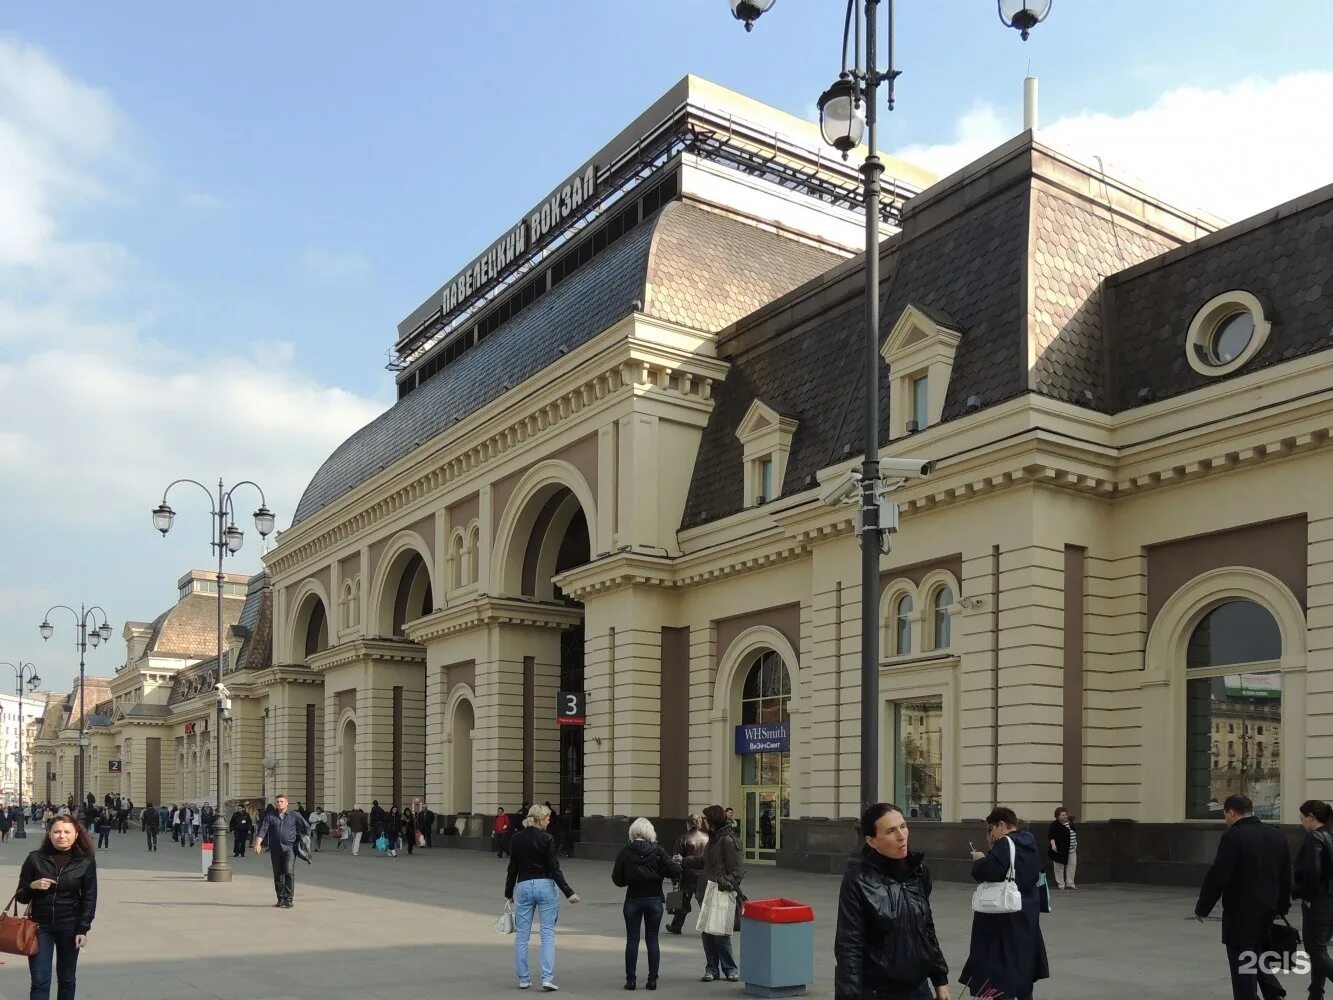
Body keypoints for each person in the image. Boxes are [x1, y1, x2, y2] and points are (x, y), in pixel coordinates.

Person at [835, 802, 949, 1000]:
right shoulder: (858, 880)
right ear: (872, 841)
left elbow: (926, 928)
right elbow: (849, 946)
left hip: (919, 989)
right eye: (890, 831)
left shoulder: (919, 871)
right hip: (878, 992)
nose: (901, 836)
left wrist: (940, 979)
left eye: (903, 826)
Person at [1195, 793, 1292, 1000]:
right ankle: (1274, 994)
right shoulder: (1276, 834)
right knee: (1255, 953)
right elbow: (1285, 874)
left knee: (1242, 962)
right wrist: (1282, 906)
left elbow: (1219, 875)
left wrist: (1203, 908)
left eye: (1225, 815)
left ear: (1231, 812)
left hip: (1241, 911)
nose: (1226, 820)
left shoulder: (1233, 837)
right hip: (1268, 909)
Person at [960, 807, 1049, 1000]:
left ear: (1001, 825)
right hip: (1026, 915)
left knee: (998, 974)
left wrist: (980, 859)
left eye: (990, 829)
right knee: (1021, 970)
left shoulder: (1005, 844)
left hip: (1003, 919)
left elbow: (987, 872)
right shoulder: (1030, 844)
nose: (990, 835)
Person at [15, 815, 98, 1000]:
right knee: (40, 981)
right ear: (50, 834)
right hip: (39, 927)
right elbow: (20, 896)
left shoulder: (85, 861)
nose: (62, 836)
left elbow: (90, 898)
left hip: (70, 926)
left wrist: (83, 928)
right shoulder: (35, 858)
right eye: (57, 831)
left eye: (67, 832)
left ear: (76, 834)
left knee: (67, 979)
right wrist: (32, 886)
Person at [505, 803, 581, 991]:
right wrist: (568, 892)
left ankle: (524, 978)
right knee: (547, 934)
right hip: (545, 886)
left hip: (523, 886)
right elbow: (554, 867)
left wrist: (508, 893)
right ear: (539, 819)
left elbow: (512, 867)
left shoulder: (516, 838)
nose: (549, 821)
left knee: (522, 935)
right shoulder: (547, 838)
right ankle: (547, 978)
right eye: (547, 818)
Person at [612, 818, 681, 991]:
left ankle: (631, 980)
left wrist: (630, 878)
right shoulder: (658, 851)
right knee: (652, 939)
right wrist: (661, 872)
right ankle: (652, 980)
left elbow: (617, 879)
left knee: (632, 939)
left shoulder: (625, 852)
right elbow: (675, 870)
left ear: (633, 832)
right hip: (654, 899)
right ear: (650, 832)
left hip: (633, 899)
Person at [680, 804, 744, 983]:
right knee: (707, 933)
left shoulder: (729, 841)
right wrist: (685, 861)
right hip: (706, 891)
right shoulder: (713, 839)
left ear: (714, 820)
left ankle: (730, 969)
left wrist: (722, 882)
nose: (703, 822)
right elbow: (705, 862)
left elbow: (737, 871)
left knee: (720, 934)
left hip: (721, 892)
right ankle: (711, 969)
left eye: (706, 819)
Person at [1294, 799, 1333, 999]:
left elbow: (1313, 871)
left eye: (1302, 818)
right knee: (1320, 949)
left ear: (1311, 817)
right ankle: (1315, 993)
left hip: (1319, 901)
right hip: (1330, 899)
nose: (1301, 823)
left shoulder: (1314, 837)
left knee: (1314, 948)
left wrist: (1306, 896)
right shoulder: (1329, 836)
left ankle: (1316, 993)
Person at [254, 794, 311, 908]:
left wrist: (303, 840)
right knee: (278, 874)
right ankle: (280, 898)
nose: (279, 803)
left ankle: (289, 899)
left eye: (281, 801)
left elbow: (306, 827)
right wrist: (257, 843)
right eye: (277, 801)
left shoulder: (294, 815)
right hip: (275, 850)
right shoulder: (270, 816)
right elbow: (263, 830)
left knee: (289, 872)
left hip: (290, 849)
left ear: (287, 803)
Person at [666, 812, 708, 935]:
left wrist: (675, 880)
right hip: (704, 875)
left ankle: (676, 926)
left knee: (683, 901)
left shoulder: (683, 839)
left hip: (688, 876)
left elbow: (676, 860)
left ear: (688, 824)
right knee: (704, 903)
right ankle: (707, 928)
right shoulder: (708, 838)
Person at [1046, 807, 1078, 890]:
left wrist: (1075, 843)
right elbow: (1051, 836)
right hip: (1059, 850)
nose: (1065, 816)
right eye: (1063, 815)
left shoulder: (1069, 822)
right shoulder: (1054, 825)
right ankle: (1061, 883)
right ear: (1058, 816)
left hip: (1071, 849)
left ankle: (1070, 883)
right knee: (1059, 867)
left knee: (1072, 865)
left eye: (1065, 815)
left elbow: (1073, 832)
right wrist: (1053, 845)